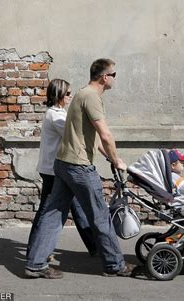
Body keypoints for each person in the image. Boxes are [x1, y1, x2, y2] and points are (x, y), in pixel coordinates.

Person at [25, 58, 135, 279]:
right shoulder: (92, 97)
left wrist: (109, 158)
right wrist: (117, 160)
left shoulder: (82, 95)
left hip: (63, 164)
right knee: (100, 216)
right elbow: (105, 134)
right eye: (114, 75)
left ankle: (35, 264)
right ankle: (115, 264)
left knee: (54, 214)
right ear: (105, 77)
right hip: (79, 167)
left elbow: (88, 136)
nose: (114, 79)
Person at [27, 79, 97, 260]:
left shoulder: (59, 113)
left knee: (79, 208)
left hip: (60, 168)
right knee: (45, 212)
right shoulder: (56, 116)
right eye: (67, 94)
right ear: (58, 95)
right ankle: (33, 253)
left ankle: (96, 248)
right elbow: (75, 135)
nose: (70, 96)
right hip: (53, 170)